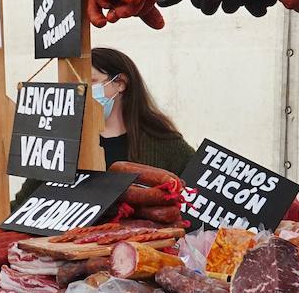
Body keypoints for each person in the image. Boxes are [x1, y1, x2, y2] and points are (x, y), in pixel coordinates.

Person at [15, 47, 197, 204]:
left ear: (120, 83)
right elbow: (21, 205)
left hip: (145, 243)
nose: (82, 90)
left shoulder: (162, 140)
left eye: (91, 81)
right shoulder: (61, 143)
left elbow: (202, 191)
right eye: (76, 84)